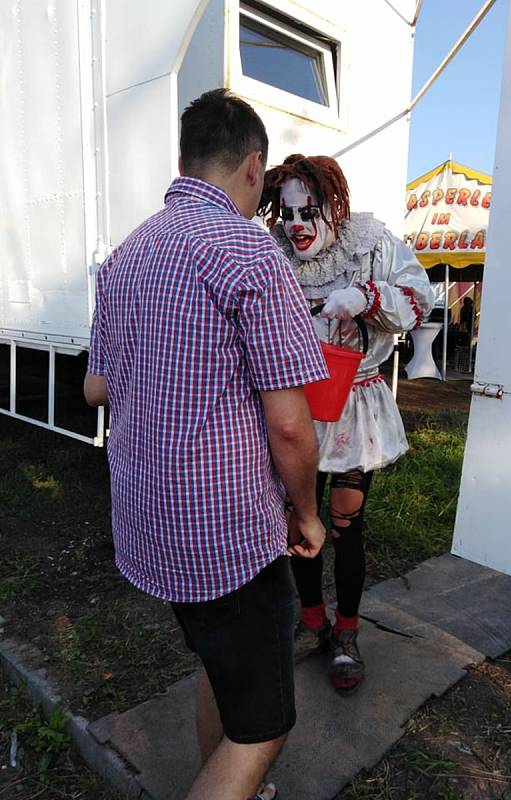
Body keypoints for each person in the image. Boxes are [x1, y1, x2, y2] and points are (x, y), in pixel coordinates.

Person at [83, 91, 329, 800]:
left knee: (222, 669)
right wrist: (308, 514)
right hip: (224, 535)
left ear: (184, 161)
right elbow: (289, 425)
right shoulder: (249, 252)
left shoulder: (128, 253)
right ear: (255, 168)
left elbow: (95, 390)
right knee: (264, 725)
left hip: (148, 520)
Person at [258, 155, 434, 695]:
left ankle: (348, 634)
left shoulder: (372, 243)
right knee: (299, 522)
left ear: (334, 206)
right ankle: (313, 625)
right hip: (298, 410)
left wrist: (366, 298)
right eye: (288, 215)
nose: (298, 225)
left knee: (345, 526)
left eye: (309, 211)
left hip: (356, 407)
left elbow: (420, 298)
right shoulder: (275, 254)